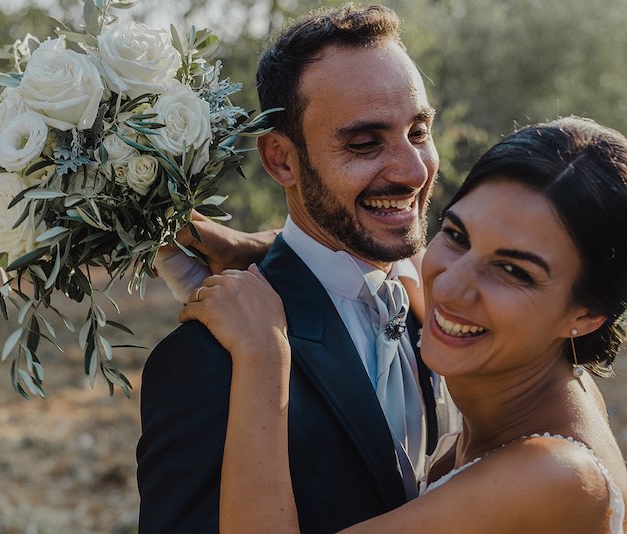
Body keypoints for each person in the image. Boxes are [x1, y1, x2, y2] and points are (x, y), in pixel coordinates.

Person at [181, 116, 627, 533]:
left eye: (513, 271)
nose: (450, 289)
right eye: (456, 235)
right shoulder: (550, 373)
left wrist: (263, 350)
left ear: (586, 315)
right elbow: (407, 259)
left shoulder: (550, 475)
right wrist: (265, 250)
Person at [137, 5, 452, 532]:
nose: (414, 171)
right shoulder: (209, 364)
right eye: (365, 143)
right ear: (281, 159)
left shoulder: (452, 307)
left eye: (418, 132)